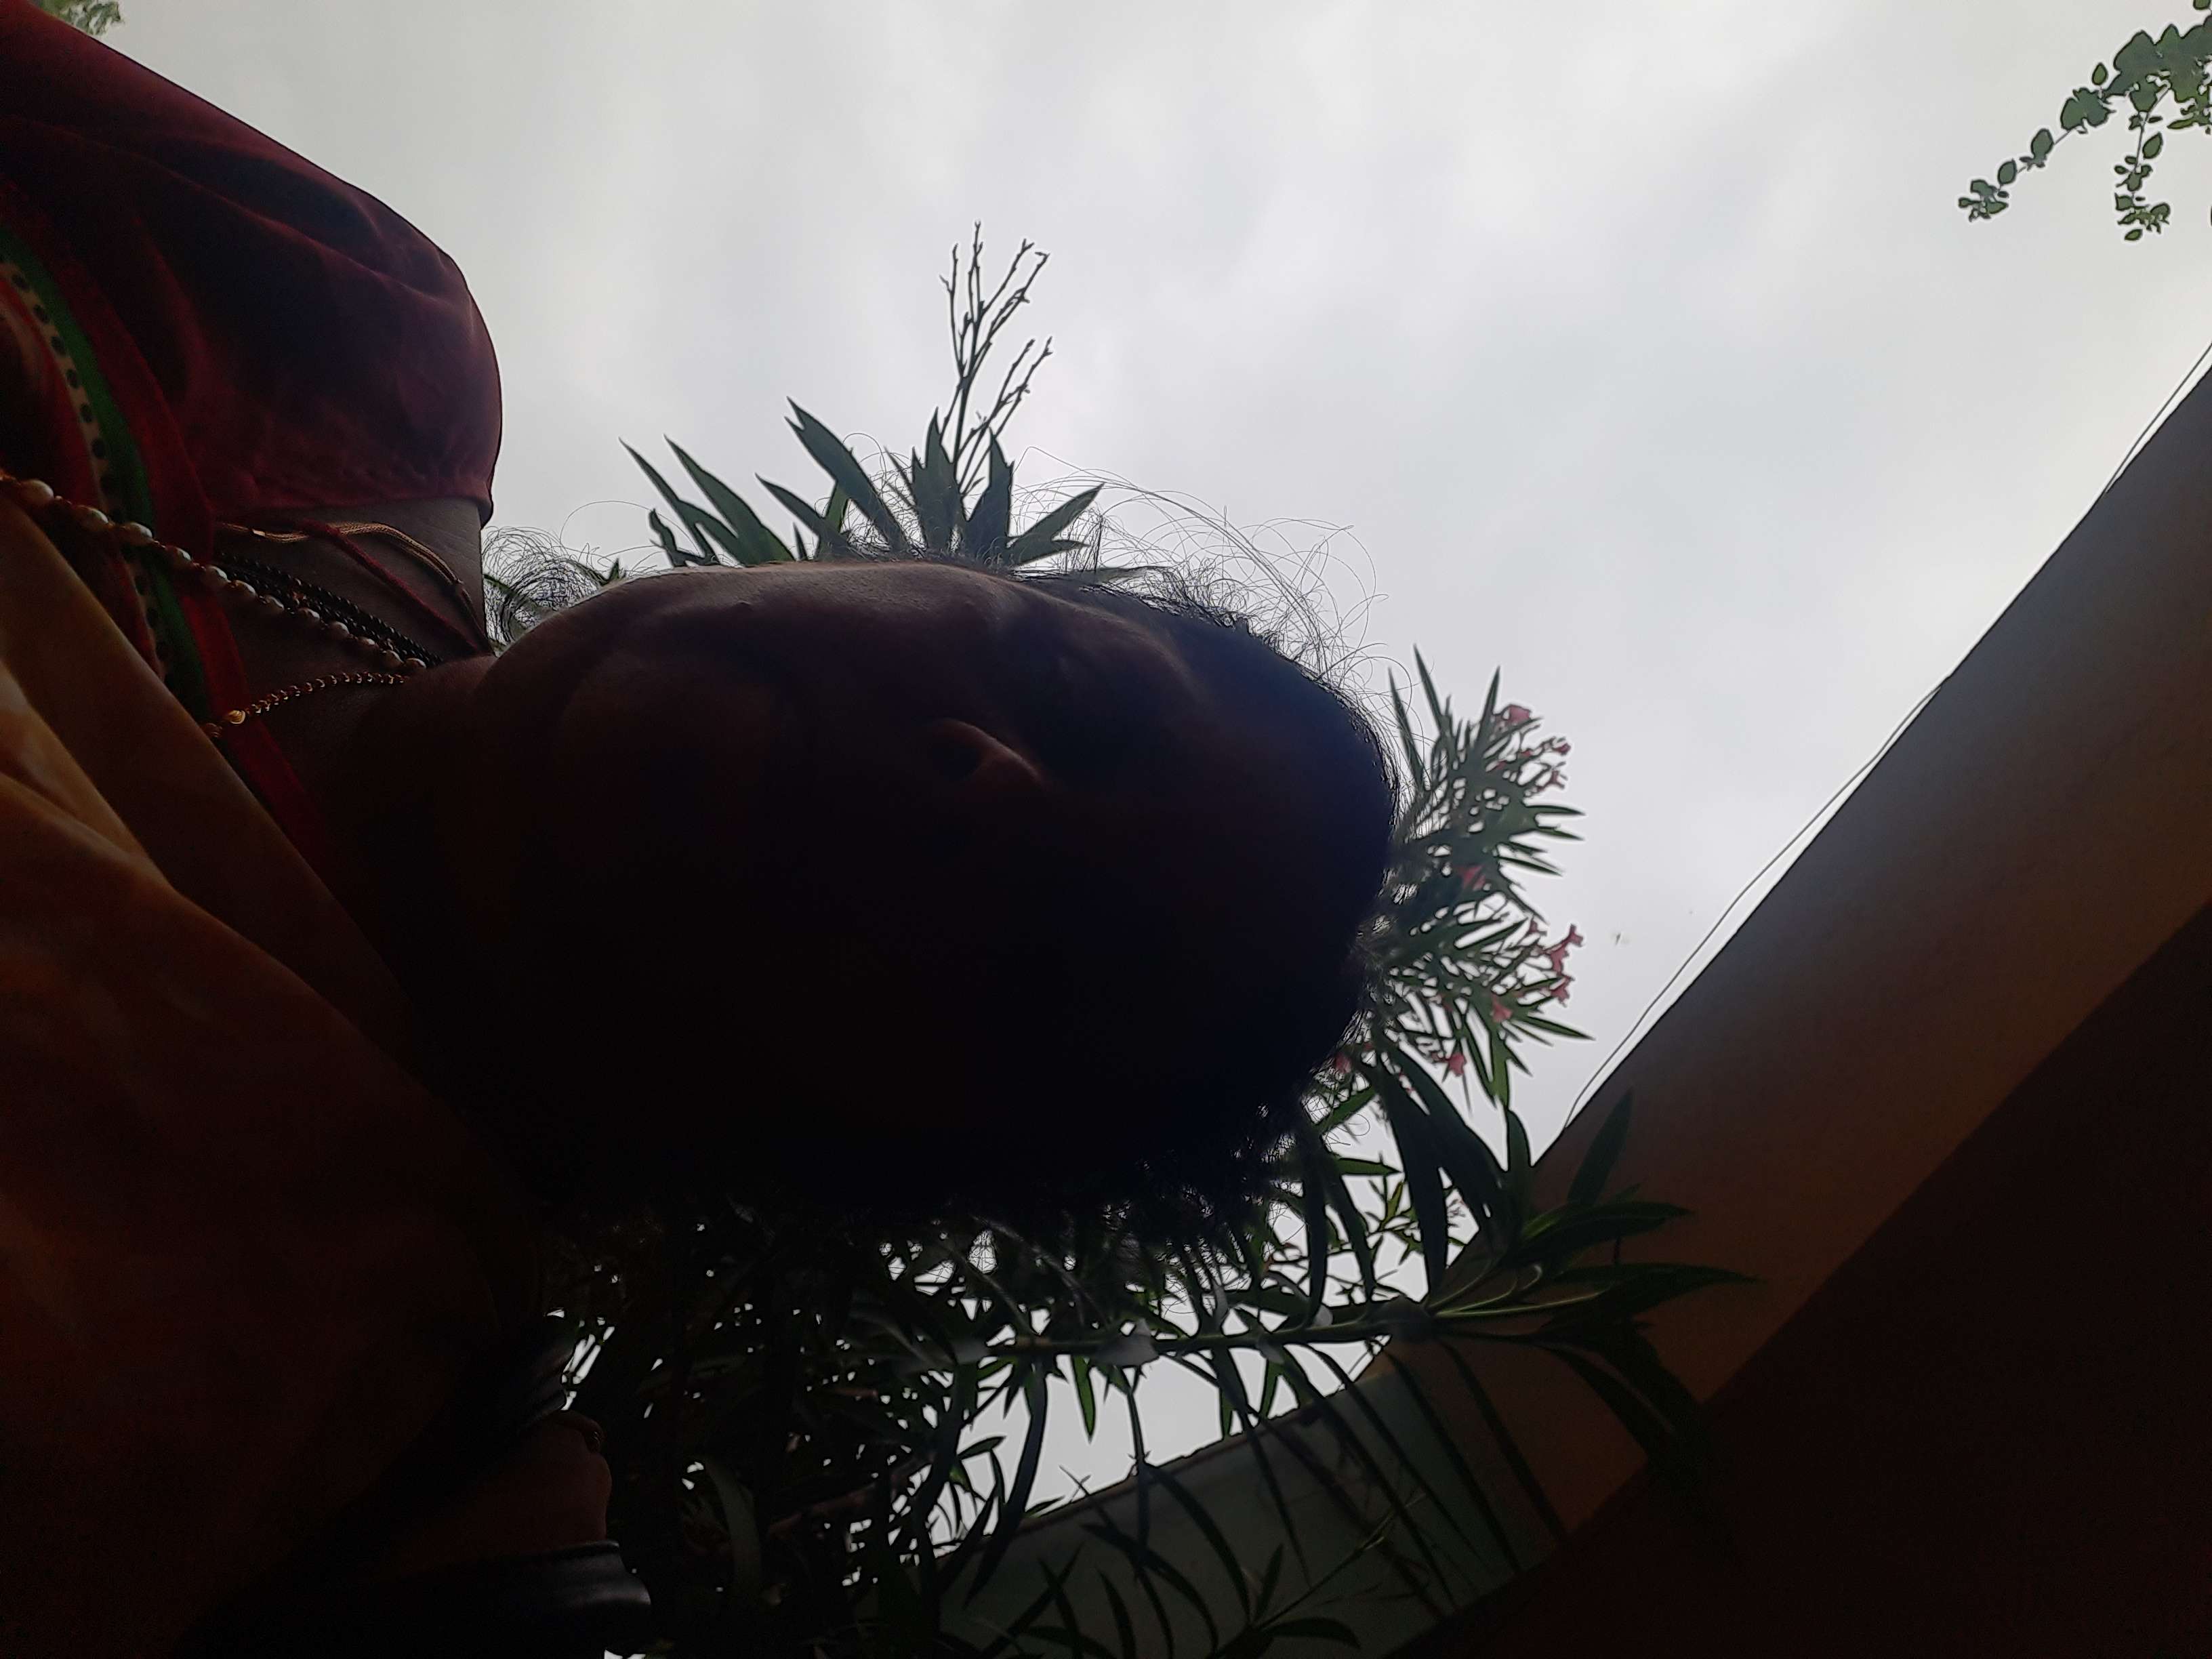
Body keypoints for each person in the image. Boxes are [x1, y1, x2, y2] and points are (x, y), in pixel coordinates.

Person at [0, 5, 1394, 1654]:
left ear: (880, 1157)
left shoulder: (330, 1455)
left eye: (1051, 967)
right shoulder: (347, 338)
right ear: (936, 564)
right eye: (1077, 699)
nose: (989, 787)